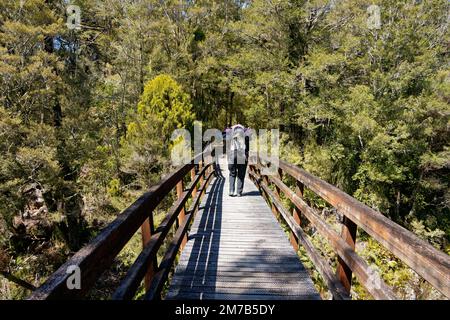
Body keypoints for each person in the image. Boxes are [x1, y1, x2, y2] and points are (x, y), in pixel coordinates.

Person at [224, 124, 251, 197]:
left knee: (232, 173)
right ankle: (239, 192)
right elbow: (248, 147)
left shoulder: (230, 133)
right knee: (241, 174)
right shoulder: (245, 134)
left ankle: (231, 191)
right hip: (242, 154)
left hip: (232, 154)